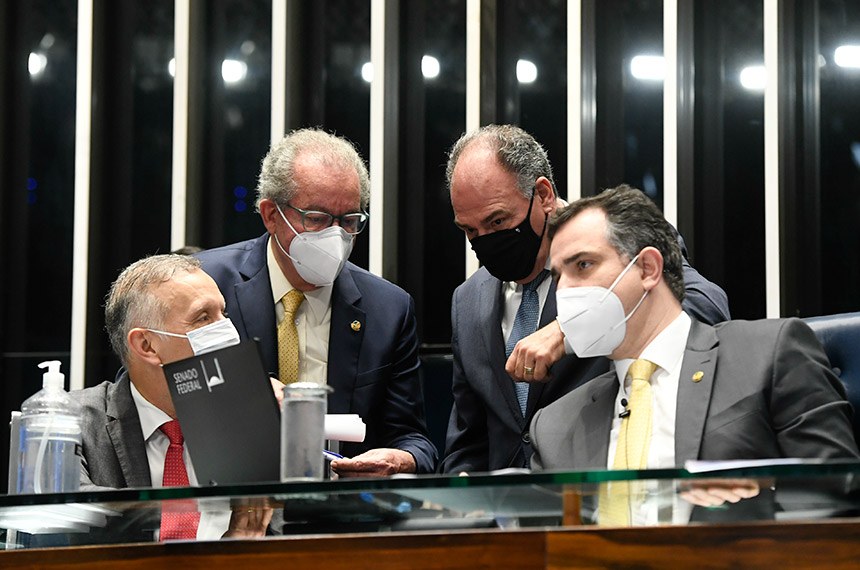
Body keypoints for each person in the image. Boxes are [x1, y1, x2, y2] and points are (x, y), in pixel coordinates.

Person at [440, 124, 731, 474]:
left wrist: (569, 328)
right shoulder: (467, 301)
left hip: (606, 489)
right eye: (470, 231)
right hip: (509, 515)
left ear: (544, 195)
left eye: (498, 221)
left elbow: (704, 307)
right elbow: (468, 442)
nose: (484, 241)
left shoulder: (617, 240)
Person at [530, 185, 859, 473]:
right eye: (559, 276)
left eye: (583, 265)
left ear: (647, 268)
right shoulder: (555, 425)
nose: (565, 291)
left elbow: (833, 501)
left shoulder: (769, 356)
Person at [196, 128, 437, 477]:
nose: (336, 236)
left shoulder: (388, 309)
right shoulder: (207, 285)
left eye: (350, 221)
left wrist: (399, 460)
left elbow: (414, 440)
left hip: (339, 510)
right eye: (317, 219)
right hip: (225, 504)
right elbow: (154, 396)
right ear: (271, 215)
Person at [70, 254, 273, 539]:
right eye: (203, 318)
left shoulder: (250, 417)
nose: (227, 331)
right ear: (146, 345)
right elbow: (66, 509)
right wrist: (179, 511)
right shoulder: (71, 419)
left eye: (223, 315)